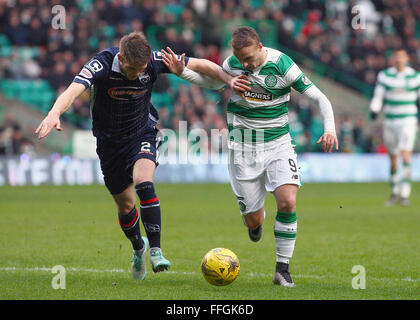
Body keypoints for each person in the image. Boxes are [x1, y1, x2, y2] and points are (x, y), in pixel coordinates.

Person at [35, 31, 249, 281]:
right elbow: (73, 90)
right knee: (125, 206)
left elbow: (199, 63)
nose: (138, 73)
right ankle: (139, 248)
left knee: (144, 182)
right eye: (133, 69)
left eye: (142, 68)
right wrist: (54, 113)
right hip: (109, 144)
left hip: (142, 133)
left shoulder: (154, 61)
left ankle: (157, 251)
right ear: (122, 58)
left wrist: (229, 80)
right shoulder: (101, 64)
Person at [161, 26, 338, 287]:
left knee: (288, 201)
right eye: (240, 59)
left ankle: (282, 270)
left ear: (260, 47)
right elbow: (211, 82)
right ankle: (255, 225)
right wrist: (183, 72)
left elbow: (319, 97)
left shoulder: (282, 65)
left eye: (248, 59)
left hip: (279, 144)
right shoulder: (232, 64)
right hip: (243, 149)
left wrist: (330, 129)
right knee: (253, 219)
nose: (244, 64)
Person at [369, 49, 420, 207]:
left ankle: (405, 193)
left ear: (407, 59)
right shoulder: (385, 76)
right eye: (396, 57)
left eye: (401, 57)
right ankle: (394, 191)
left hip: (408, 120)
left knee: (405, 154)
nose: (399, 60)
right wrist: (375, 109)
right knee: (393, 158)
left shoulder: (415, 77)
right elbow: (379, 95)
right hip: (390, 120)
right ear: (393, 59)